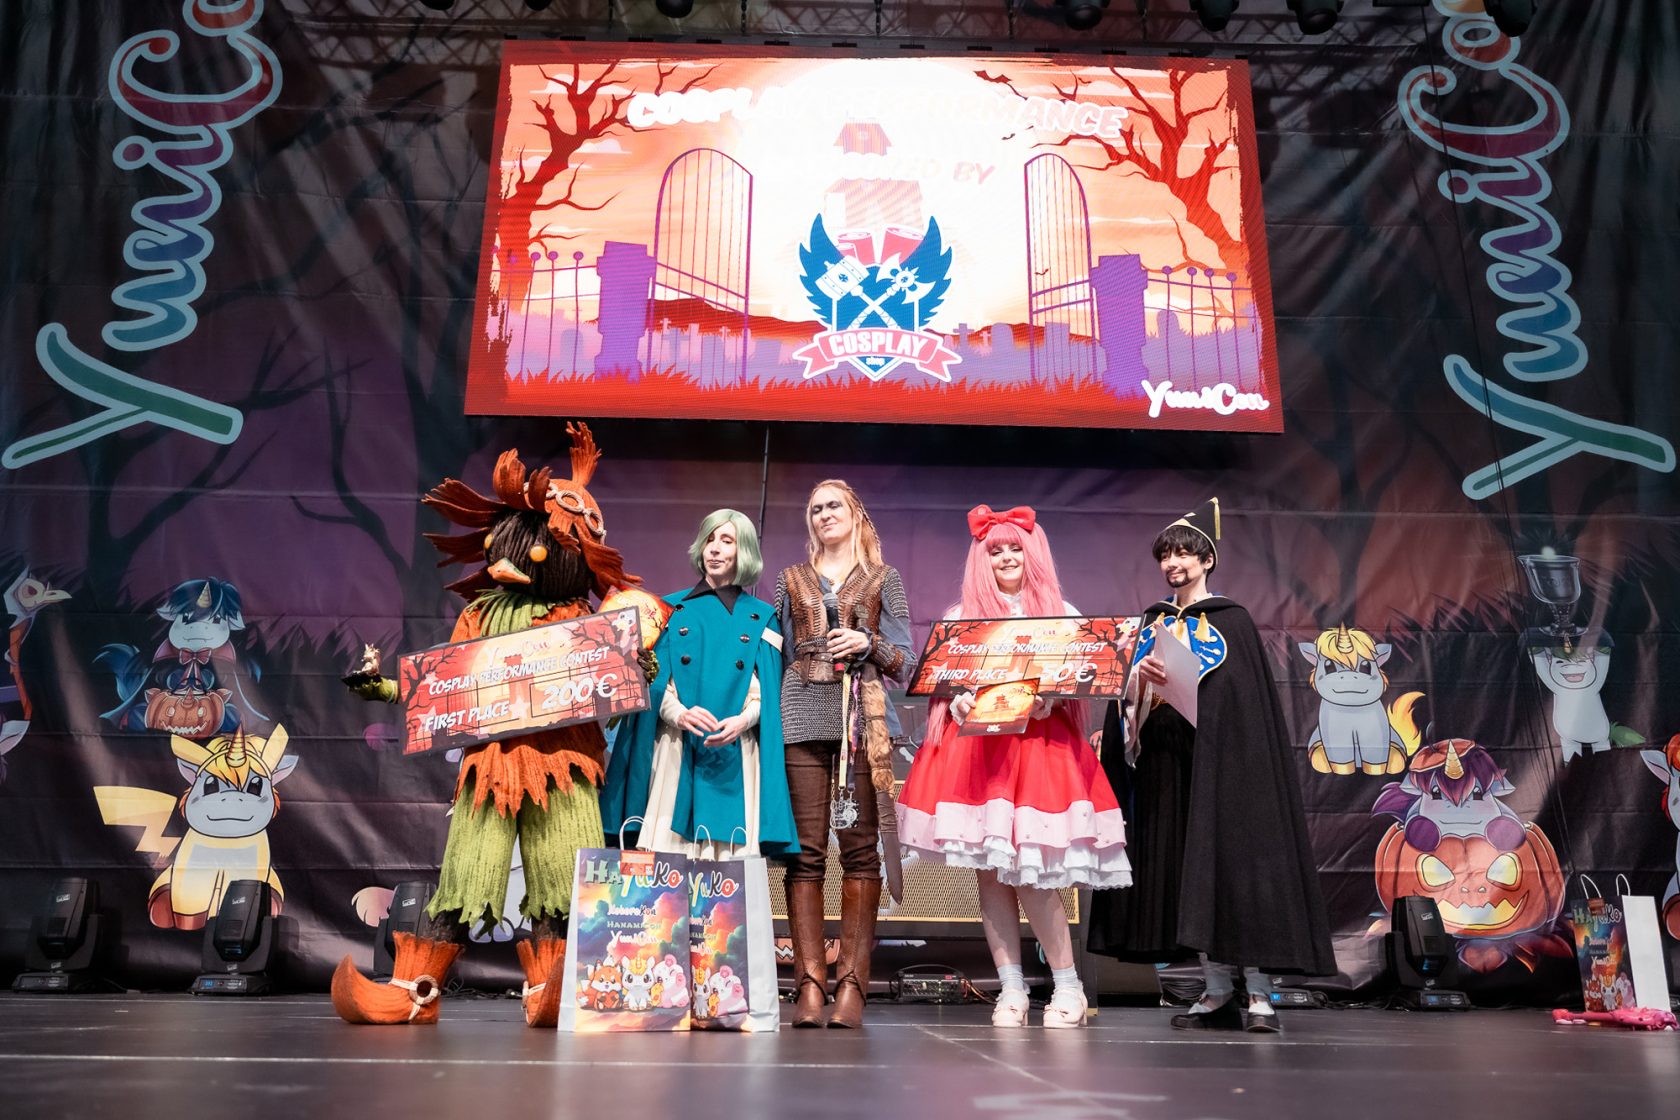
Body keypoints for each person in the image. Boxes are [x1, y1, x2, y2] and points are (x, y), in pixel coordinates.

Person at [332, 426, 640, 1028]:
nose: (508, 559)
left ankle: (553, 987)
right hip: (491, 768)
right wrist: (385, 688)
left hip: (562, 765)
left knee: (561, 881)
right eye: (502, 545)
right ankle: (414, 991)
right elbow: (442, 686)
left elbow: (615, 681)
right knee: (463, 878)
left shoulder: (582, 619)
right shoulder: (480, 614)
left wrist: (635, 663)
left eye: (533, 548)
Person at [1086, 499, 1335, 1033]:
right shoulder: (1152, 620)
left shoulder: (1231, 621)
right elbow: (1125, 698)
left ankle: (1259, 994)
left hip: (1225, 766)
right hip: (1166, 764)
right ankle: (1217, 990)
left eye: (1183, 553)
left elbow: (1246, 704)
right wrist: (1139, 678)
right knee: (1185, 871)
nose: (1173, 563)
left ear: (1206, 560)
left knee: (1237, 870)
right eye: (1165, 555)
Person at [896, 505, 1131, 1029]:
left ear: (1033, 553)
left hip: (1040, 753)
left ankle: (1067, 986)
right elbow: (946, 684)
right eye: (995, 550)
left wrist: (1051, 699)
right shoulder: (962, 615)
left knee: (1034, 875)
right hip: (981, 756)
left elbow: (1082, 678)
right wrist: (957, 701)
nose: (1005, 557)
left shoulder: (1060, 612)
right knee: (991, 877)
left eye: (1014, 548)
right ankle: (1011, 988)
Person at [774, 480, 913, 1029]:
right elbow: (777, 652)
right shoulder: (790, 578)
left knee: (859, 852)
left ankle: (852, 984)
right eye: (815, 508)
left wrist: (868, 643)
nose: (824, 514)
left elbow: (907, 660)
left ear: (855, 513)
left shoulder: (883, 578)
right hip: (801, 714)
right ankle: (809, 985)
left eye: (834, 505)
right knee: (805, 854)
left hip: (861, 719)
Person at [602, 509, 799, 860]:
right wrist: (678, 714)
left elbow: (766, 694)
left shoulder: (762, 617)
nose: (715, 548)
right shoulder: (667, 610)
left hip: (737, 755)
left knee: (730, 875)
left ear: (744, 551)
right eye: (709, 539)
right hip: (675, 751)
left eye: (727, 540)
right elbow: (653, 682)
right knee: (666, 869)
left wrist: (742, 721)